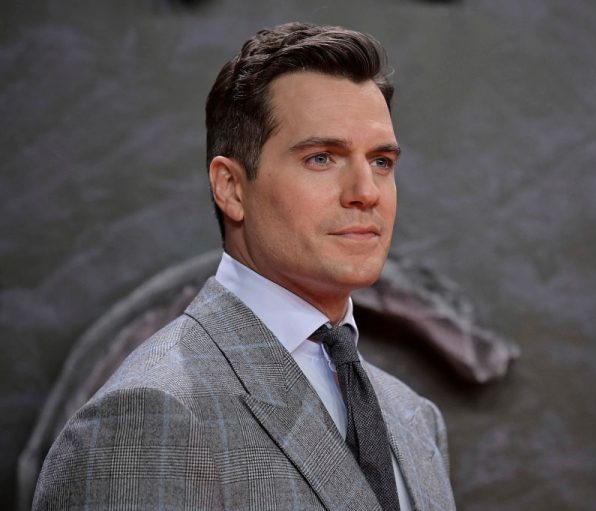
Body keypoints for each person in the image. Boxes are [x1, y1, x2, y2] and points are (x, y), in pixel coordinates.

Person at [33, 22, 455, 511]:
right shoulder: (149, 414)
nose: (366, 192)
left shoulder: (414, 420)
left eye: (381, 162)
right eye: (322, 158)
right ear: (231, 187)